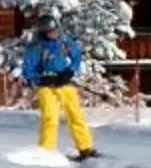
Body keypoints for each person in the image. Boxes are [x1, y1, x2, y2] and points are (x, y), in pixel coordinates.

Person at [21, 21, 98, 160]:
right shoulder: (36, 47)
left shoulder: (64, 42)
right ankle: (46, 150)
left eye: (56, 30)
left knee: (75, 114)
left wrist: (70, 71)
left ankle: (85, 147)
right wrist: (40, 79)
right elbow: (28, 68)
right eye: (51, 32)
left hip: (64, 83)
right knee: (50, 117)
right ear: (44, 33)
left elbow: (76, 56)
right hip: (46, 87)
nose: (55, 34)